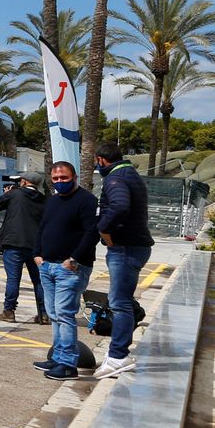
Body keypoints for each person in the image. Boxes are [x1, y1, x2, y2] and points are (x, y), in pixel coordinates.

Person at [33, 160, 100, 381]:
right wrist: (37, 254)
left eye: (64, 178)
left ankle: (68, 364)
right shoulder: (52, 201)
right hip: (47, 265)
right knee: (54, 314)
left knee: (64, 314)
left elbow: (92, 233)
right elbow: (42, 228)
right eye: (55, 179)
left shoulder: (87, 201)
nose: (60, 182)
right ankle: (57, 356)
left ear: (74, 178)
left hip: (70, 268)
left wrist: (74, 259)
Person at [94, 143, 154, 380]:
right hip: (133, 247)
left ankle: (119, 356)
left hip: (125, 248)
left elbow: (119, 206)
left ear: (101, 160)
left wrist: (103, 230)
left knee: (119, 304)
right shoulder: (131, 174)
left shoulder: (115, 178)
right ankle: (116, 354)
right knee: (123, 301)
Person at [0, 172, 49, 324]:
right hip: (36, 246)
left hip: (14, 242)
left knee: (13, 278)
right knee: (38, 280)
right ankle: (43, 313)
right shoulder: (44, 199)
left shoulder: (15, 194)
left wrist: (8, 194)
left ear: (24, 182)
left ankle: (9, 311)